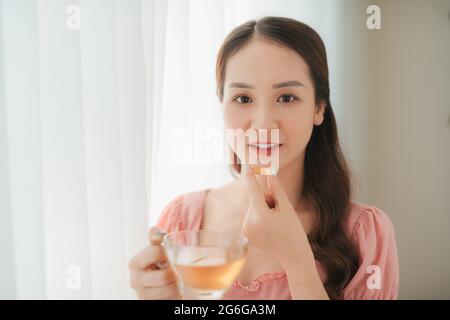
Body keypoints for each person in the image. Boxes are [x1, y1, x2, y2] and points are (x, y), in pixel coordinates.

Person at [128, 16, 399, 300]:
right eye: (243, 99)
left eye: (286, 97)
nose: (262, 124)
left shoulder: (366, 233)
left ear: (319, 108)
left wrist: (297, 259)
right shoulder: (182, 221)